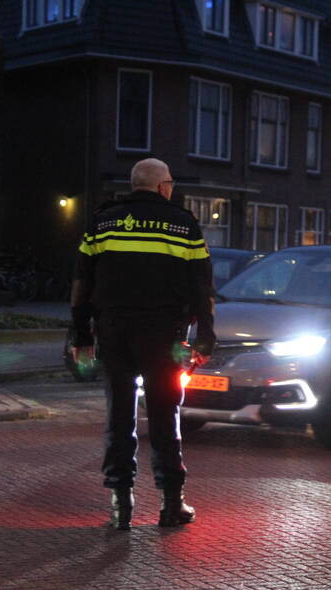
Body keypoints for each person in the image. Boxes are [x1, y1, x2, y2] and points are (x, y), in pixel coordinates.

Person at [71, 158, 215, 529]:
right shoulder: (183, 224)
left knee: (119, 414)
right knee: (165, 414)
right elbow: (201, 286)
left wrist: (82, 334)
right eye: (170, 183)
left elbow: (81, 283)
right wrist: (206, 335)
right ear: (163, 186)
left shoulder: (102, 221)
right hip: (164, 334)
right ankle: (171, 503)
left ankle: (121, 504)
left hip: (114, 330)